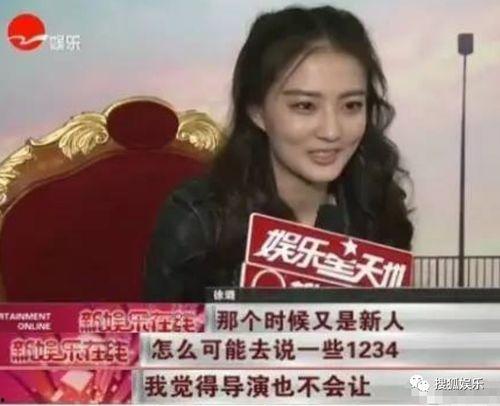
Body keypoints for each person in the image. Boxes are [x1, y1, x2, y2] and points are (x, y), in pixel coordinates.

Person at [145, 5, 414, 302]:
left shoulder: (377, 205)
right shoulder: (198, 220)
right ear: (257, 111)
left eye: (351, 105)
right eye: (305, 106)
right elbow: (163, 332)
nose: (332, 131)